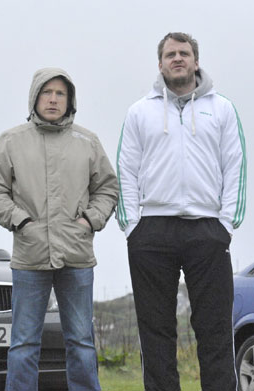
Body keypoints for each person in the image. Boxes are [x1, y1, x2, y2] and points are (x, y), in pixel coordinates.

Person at [116, 32, 246, 391]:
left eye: (184, 53)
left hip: (208, 230)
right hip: (152, 231)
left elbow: (236, 167)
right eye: (170, 54)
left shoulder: (221, 108)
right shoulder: (139, 111)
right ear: (160, 64)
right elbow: (125, 170)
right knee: (156, 331)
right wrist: (132, 227)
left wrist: (226, 226)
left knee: (215, 328)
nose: (178, 58)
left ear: (196, 61)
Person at [0, 67, 119, 391]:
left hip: (77, 256)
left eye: (60, 93)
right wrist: (21, 221)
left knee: (82, 342)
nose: (53, 99)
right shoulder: (11, 141)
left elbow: (108, 189)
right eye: (47, 92)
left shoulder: (88, 142)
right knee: (24, 344)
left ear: (69, 100)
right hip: (30, 257)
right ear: (34, 97)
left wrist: (88, 222)